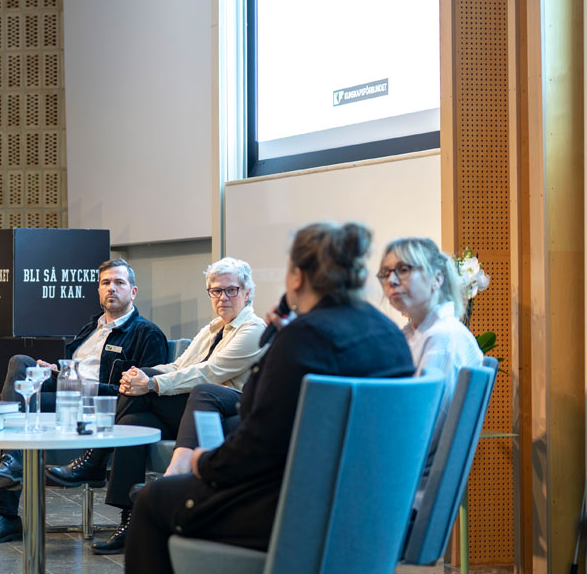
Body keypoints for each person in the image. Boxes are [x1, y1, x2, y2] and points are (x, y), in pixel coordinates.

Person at [124, 222, 414, 573]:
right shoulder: (390, 336)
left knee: (151, 500)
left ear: (297, 278)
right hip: (373, 511)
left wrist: (204, 463)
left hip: (297, 510)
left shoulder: (304, 339)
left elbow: (258, 438)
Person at [44, 257, 267, 554]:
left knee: (162, 388)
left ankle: (95, 461)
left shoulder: (253, 329)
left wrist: (151, 384)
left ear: (247, 292)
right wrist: (142, 375)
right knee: (133, 421)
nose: (222, 297)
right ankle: (130, 521)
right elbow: (178, 365)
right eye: (216, 291)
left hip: (225, 412)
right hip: (189, 407)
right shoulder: (213, 328)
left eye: (231, 290)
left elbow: (209, 373)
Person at [0, 258, 167, 545]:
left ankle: (5, 510)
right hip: (67, 394)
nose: (112, 288)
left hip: (98, 406)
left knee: (10, 405)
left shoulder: (148, 334)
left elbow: (143, 393)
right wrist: (58, 371)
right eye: (106, 283)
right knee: (20, 364)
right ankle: (11, 464)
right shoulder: (89, 329)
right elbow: (73, 370)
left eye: (119, 282)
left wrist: (85, 385)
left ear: (133, 292)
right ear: (98, 290)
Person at [378, 237, 483, 502]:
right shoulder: (413, 335)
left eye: (403, 270)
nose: (391, 281)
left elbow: (421, 435)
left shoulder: (442, 338)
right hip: (402, 486)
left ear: (437, 279)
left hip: (407, 495)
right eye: (385, 273)